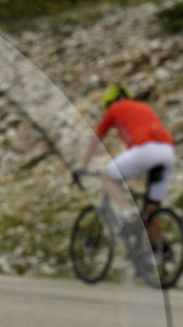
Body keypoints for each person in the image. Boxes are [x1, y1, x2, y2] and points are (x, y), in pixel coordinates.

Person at [74, 84, 176, 243]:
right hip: (168, 152)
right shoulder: (143, 105)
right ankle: (159, 247)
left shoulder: (113, 109)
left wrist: (83, 167)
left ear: (109, 102)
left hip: (145, 150)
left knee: (106, 176)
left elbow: (96, 139)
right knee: (152, 207)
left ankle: (127, 215)